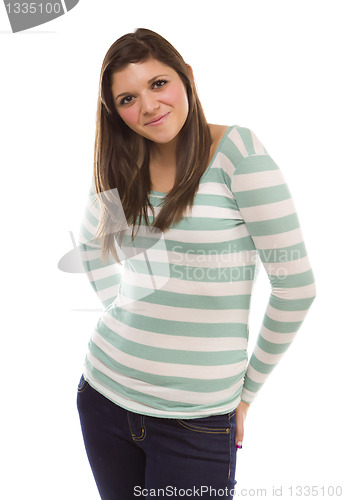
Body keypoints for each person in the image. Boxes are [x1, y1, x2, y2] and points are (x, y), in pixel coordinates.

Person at [76, 28, 316, 500]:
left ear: (187, 76)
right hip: (105, 395)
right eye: (128, 98)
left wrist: (244, 395)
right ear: (115, 111)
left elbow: (296, 287)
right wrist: (122, 310)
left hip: (198, 420)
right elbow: (91, 247)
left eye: (159, 84)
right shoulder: (121, 163)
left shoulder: (238, 155)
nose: (147, 106)